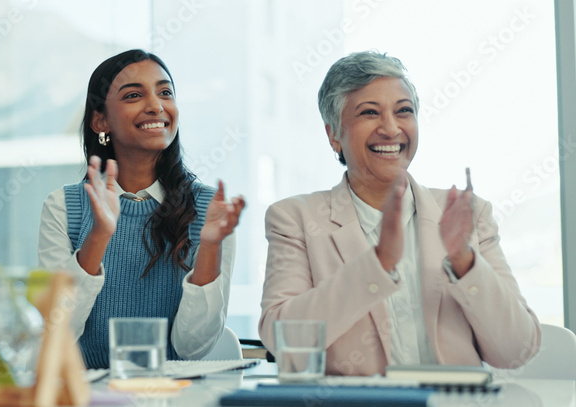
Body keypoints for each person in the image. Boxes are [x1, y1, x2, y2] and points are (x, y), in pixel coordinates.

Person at [259, 50, 541, 376]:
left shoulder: (469, 214)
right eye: (369, 113)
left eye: (403, 111)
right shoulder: (295, 218)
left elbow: (517, 351)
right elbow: (280, 339)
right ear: (334, 135)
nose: (391, 129)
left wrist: (465, 262)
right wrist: (377, 264)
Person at [38, 50, 245, 368]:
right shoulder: (64, 207)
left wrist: (211, 246)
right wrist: (100, 234)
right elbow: (58, 331)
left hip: (177, 397)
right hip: (89, 396)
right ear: (100, 120)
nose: (155, 105)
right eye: (134, 95)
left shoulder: (211, 210)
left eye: (165, 92)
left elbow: (192, 348)